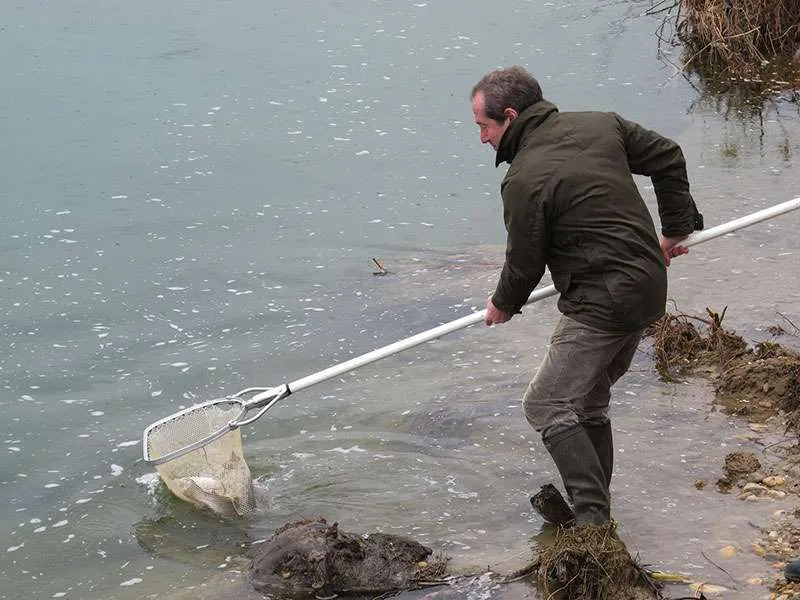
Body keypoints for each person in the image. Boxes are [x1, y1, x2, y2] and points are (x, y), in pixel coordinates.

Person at [470, 66, 703, 525]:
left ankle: (593, 521)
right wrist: (675, 229)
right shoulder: (602, 124)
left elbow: (525, 262)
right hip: (648, 286)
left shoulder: (523, 180)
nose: (481, 138)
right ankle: (594, 508)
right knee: (588, 401)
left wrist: (502, 304)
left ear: (511, 116)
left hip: (604, 302)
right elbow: (668, 157)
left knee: (544, 404)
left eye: (483, 126)